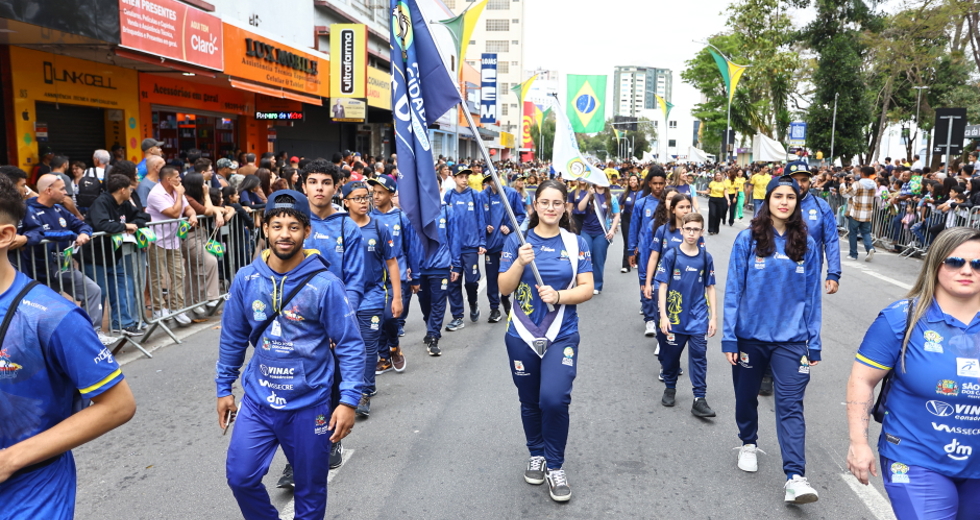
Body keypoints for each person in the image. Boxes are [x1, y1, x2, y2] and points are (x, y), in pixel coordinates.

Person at [216, 190, 364, 520]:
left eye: (294, 226)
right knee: (241, 478)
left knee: (310, 490)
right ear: (264, 228)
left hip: (309, 405)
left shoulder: (325, 284)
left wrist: (349, 400)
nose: (285, 234)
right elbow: (233, 338)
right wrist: (224, 388)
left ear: (306, 232)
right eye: (277, 225)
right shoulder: (246, 279)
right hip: (257, 401)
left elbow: (351, 343)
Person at [0, 174, 136, 519]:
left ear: (4, 235)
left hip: (30, 490)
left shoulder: (52, 316)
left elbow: (118, 405)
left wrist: (11, 459)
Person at [846, 227, 980, 519]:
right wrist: (859, 442)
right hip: (915, 457)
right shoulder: (901, 318)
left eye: (977, 264)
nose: (967, 270)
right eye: (955, 262)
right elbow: (862, 380)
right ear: (936, 264)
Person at [724, 174, 822, 503]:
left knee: (791, 405)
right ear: (767, 200)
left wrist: (815, 340)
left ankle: (795, 477)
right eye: (778, 196)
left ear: (797, 202)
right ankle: (748, 442)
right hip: (750, 337)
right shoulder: (747, 239)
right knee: (745, 396)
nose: (784, 201)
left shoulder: (806, 244)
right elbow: (734, 290)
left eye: (790, 197)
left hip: (792, 340)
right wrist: (729, 338)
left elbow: (813, 297)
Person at [498, 179, 594, 503]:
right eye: (545, 202)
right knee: (529, 401)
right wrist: (520, 262)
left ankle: (555, 466)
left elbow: (586, 289)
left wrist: (559, 294)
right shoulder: (517, 242)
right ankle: (536, 453)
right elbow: (504, 288)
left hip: (561, 333)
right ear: (535, 205)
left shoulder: (575, 243)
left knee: (553, 399)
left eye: (557, 203)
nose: (551, 208)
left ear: (565, 206)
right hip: (522, 334)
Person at [17, 174, 118, 345]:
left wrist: (84, 233)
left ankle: (92, 334)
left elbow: (82, 224)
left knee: (92, 290)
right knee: (47, 310)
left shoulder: (59, 209)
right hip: (39, 269)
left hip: (62, 266)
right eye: (62, 188)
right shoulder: (28, 210)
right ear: (49, 190)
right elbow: (39, 234)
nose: (66, 193)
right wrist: (72, 235)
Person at [340, 181, 402, 418]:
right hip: (344, 299)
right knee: (345, 348)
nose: (364, 201)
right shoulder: (340, 227)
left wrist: (396, 297)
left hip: (373, 297)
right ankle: (350, 387)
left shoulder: (379, 227)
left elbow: (392, 263)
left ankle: (363, 393)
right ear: (346, 202)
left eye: (366, 197)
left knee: (367, 347)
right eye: (357, 198)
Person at [655, 212, 716, 416]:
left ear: (702, 232)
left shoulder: (706, 258)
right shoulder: (672, 255)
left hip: (699, 317)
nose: (691, 233)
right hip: (675, 317)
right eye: (688, 229)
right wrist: (663, 315)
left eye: (696, 229)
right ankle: (670, 387)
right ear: (681, 230)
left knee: (699, 356)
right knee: (671, 357)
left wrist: (713, 317)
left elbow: (710, 288)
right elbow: (662, 286)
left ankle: (700, 398)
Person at [370, 175, 422, 375]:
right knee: (378, 319)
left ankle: (394, 347)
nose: (376, 196)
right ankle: (384, 357)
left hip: (397, 277)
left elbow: (412, 249)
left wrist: (415, 277)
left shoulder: (401, 218)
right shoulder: (368, 218)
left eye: (380, 193)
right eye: (373, 192)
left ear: (391, 195)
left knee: (390, 317)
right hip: (374, 278)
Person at [83, 174, 146, 336]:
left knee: (121, 288)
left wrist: (133, 225)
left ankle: (122, 323)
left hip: (114, 255)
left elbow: (142, 217)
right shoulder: (101, 203)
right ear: (122, 189)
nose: (132, 191)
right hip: (95, 257)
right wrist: (126, 226)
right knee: (99, 292)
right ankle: (92, 331)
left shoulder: (124, 204)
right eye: (130, 189)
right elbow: (102, 224)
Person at [145, 166, 198, 326]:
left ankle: (178, 308)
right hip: (157, 240)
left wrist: (193, 214)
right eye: (177, 177)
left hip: (173, 239)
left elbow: (187, 208)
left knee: (178, 274)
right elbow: (174, 213)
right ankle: (159, 307)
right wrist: (180, 194)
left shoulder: (176, 192)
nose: (180, 180)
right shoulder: (156, 193)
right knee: (158, 276)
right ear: (169, 179)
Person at [418, 195, 462, 356]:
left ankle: (434, 336)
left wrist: (456, 265)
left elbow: (455, 239)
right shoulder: (415, 211)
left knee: (438, 303)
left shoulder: (447, 211)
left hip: (441, 266)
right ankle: (429, 326)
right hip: (420, 267)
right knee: (425, 302)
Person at [443, 166, 486, 330]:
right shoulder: (449, 195)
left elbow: (481, 219)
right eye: (461, 176)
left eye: (466, 176)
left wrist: (482, 242)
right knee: (453, 283)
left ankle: (473, 302)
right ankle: (457, 316)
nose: (464, 179)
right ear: (454, 178)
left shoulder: (475, 195)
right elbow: (444, 220)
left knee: (470, 282)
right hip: (453, 248)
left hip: (471, 246)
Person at [628, 167, 668, 335]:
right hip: (646, 251)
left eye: (661, 183)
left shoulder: (670, 203)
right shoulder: (641, 203)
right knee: (646, 283)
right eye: (655, 183)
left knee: (664, 283)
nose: (658, 187)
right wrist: (631, 250)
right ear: (649, 184)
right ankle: (650, 320)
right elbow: (634, 228)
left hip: (666, 251)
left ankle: (663, 316)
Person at [482, 172, 527, 318]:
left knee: (513, 274)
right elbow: (478, 218)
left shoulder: (512, 193)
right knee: (492, 277)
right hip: (491, 244)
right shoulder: (482, 196)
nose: (495, 181)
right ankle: (494, 308)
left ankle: (509, 300)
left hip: (508, 244)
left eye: (496, 177)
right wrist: (485, 226)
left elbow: (521, 215)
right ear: (488, 182)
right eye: (491, 180)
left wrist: (510, 226)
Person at [576, 182, 618, 294]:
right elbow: (580, 208)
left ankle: (597, 285)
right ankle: (584, 283)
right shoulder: (589, 194)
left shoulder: (611, 197)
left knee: (599, 259)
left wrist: (612, 229)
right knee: (585, 258)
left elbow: (617, 214)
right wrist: (588, 194)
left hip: (602, 232)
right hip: (586, 231)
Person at [841, 166, 878, 262]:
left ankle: (853, 254)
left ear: (862, 173)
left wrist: (842, 185)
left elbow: (846, 194)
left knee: (853, 233)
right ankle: (870, 248)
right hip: (868, 213)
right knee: (865, 232)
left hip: (856, 213)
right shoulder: (874, 184)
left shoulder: (857, 184)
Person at [619, 174, 642, 273]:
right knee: (627, 241)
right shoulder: (625, 194)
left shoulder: (642, 193)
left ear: (637, 181)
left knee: (638, 240)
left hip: (638, 219)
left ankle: (636, 261)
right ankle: (625, 265)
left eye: (634, 180)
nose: (632, 181)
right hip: (627, 218)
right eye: (630, 180)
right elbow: (621, 206)